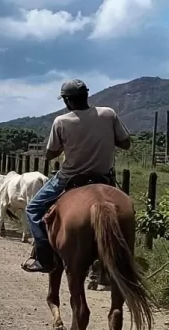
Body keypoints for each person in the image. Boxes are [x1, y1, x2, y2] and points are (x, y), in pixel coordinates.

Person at [21, 79, 132, 273]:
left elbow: (50, 154)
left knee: (33, 209)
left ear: (66, 101)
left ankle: (44, 258)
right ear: (87, 95)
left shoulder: (61, 121)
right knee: (127, 207)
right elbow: (126, 144)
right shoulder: (108, 114)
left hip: (69, 178)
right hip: (104, 177)